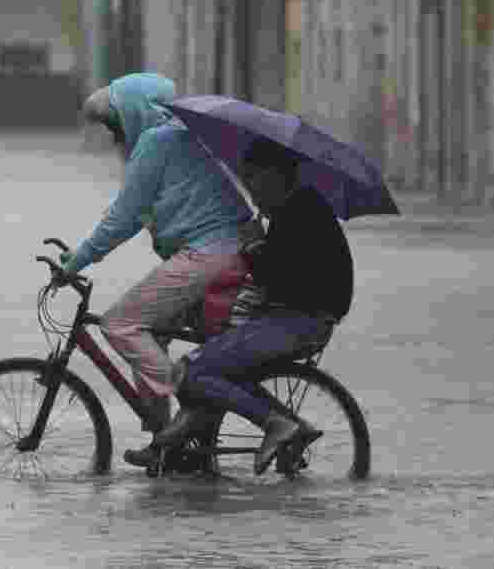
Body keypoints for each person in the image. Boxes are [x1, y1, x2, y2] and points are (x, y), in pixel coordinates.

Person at [59, 73, 259, 466]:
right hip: (225, 249)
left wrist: (77, 261)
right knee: (150, 335)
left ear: (135, 114)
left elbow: (123, 218)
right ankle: (167, 446)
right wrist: (80, 254)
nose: (115, 136)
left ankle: (192, 403)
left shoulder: (157, 141)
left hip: (210, 254)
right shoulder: (176, 136)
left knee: (120, 324)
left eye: (115, 124)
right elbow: (132, 212)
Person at [128, 136, 355, 474]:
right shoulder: (293, 209)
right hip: (289, 318)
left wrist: (252, 246)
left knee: (191, 371)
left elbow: (273, 276)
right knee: (214, 364)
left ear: (276, 176)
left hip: (298, 323)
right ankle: (182, 442)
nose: (249, 188)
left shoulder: (300, 213)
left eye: (253, 178)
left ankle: (275, 424)